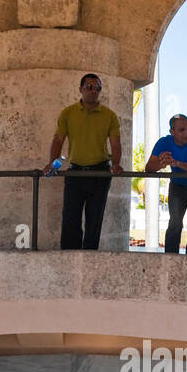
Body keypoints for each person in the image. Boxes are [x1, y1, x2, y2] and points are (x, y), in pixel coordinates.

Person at [45, 74, 122, 250]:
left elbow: (116, 144)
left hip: (100, 173)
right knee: (70, 220)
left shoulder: (110, 115)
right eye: (89, 87)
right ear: (81, 89)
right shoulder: (68, 113)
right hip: (75, 172)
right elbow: (58, 140)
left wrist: (116, 164)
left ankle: (89, 261)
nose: (94, 91)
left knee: (94, 221)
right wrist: (52, 165)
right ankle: (68, 260)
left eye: (97, 88)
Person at [145, 115, 187, 254]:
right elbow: (149, 168)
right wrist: (162, 163)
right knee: (174, 223)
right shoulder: (163, 143)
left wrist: (177, 163)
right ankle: (170, 259)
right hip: (177, 186)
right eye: (182, 130)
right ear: (172, 132)